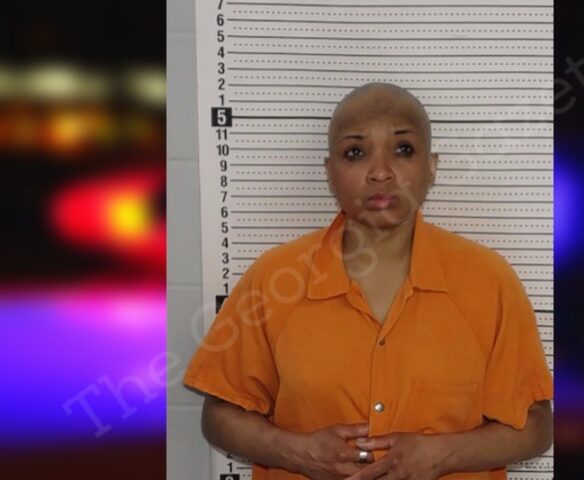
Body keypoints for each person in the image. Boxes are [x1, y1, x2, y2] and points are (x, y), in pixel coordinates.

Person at [183, 82, 553, 480]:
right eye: (355, 153)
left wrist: (442, 456)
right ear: (330, 171)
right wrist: (299, 453)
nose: (380, 172)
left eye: (403, 149)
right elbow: (220, 414)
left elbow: (535, 426)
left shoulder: (487, 280)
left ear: (431, 166)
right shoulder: (274, 279)